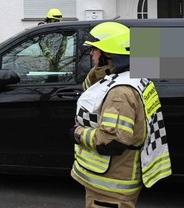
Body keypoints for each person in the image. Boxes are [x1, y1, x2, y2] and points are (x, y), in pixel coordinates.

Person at [70, 22, 172, 208]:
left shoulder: (120, 93)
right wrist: (101, 69)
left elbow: (111, 142)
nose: (91, 53)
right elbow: (92, 90)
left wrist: (77, 133)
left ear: (108, 55)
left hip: (111, 187)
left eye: (95, 49)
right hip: (112, 180)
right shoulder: (132, 77)